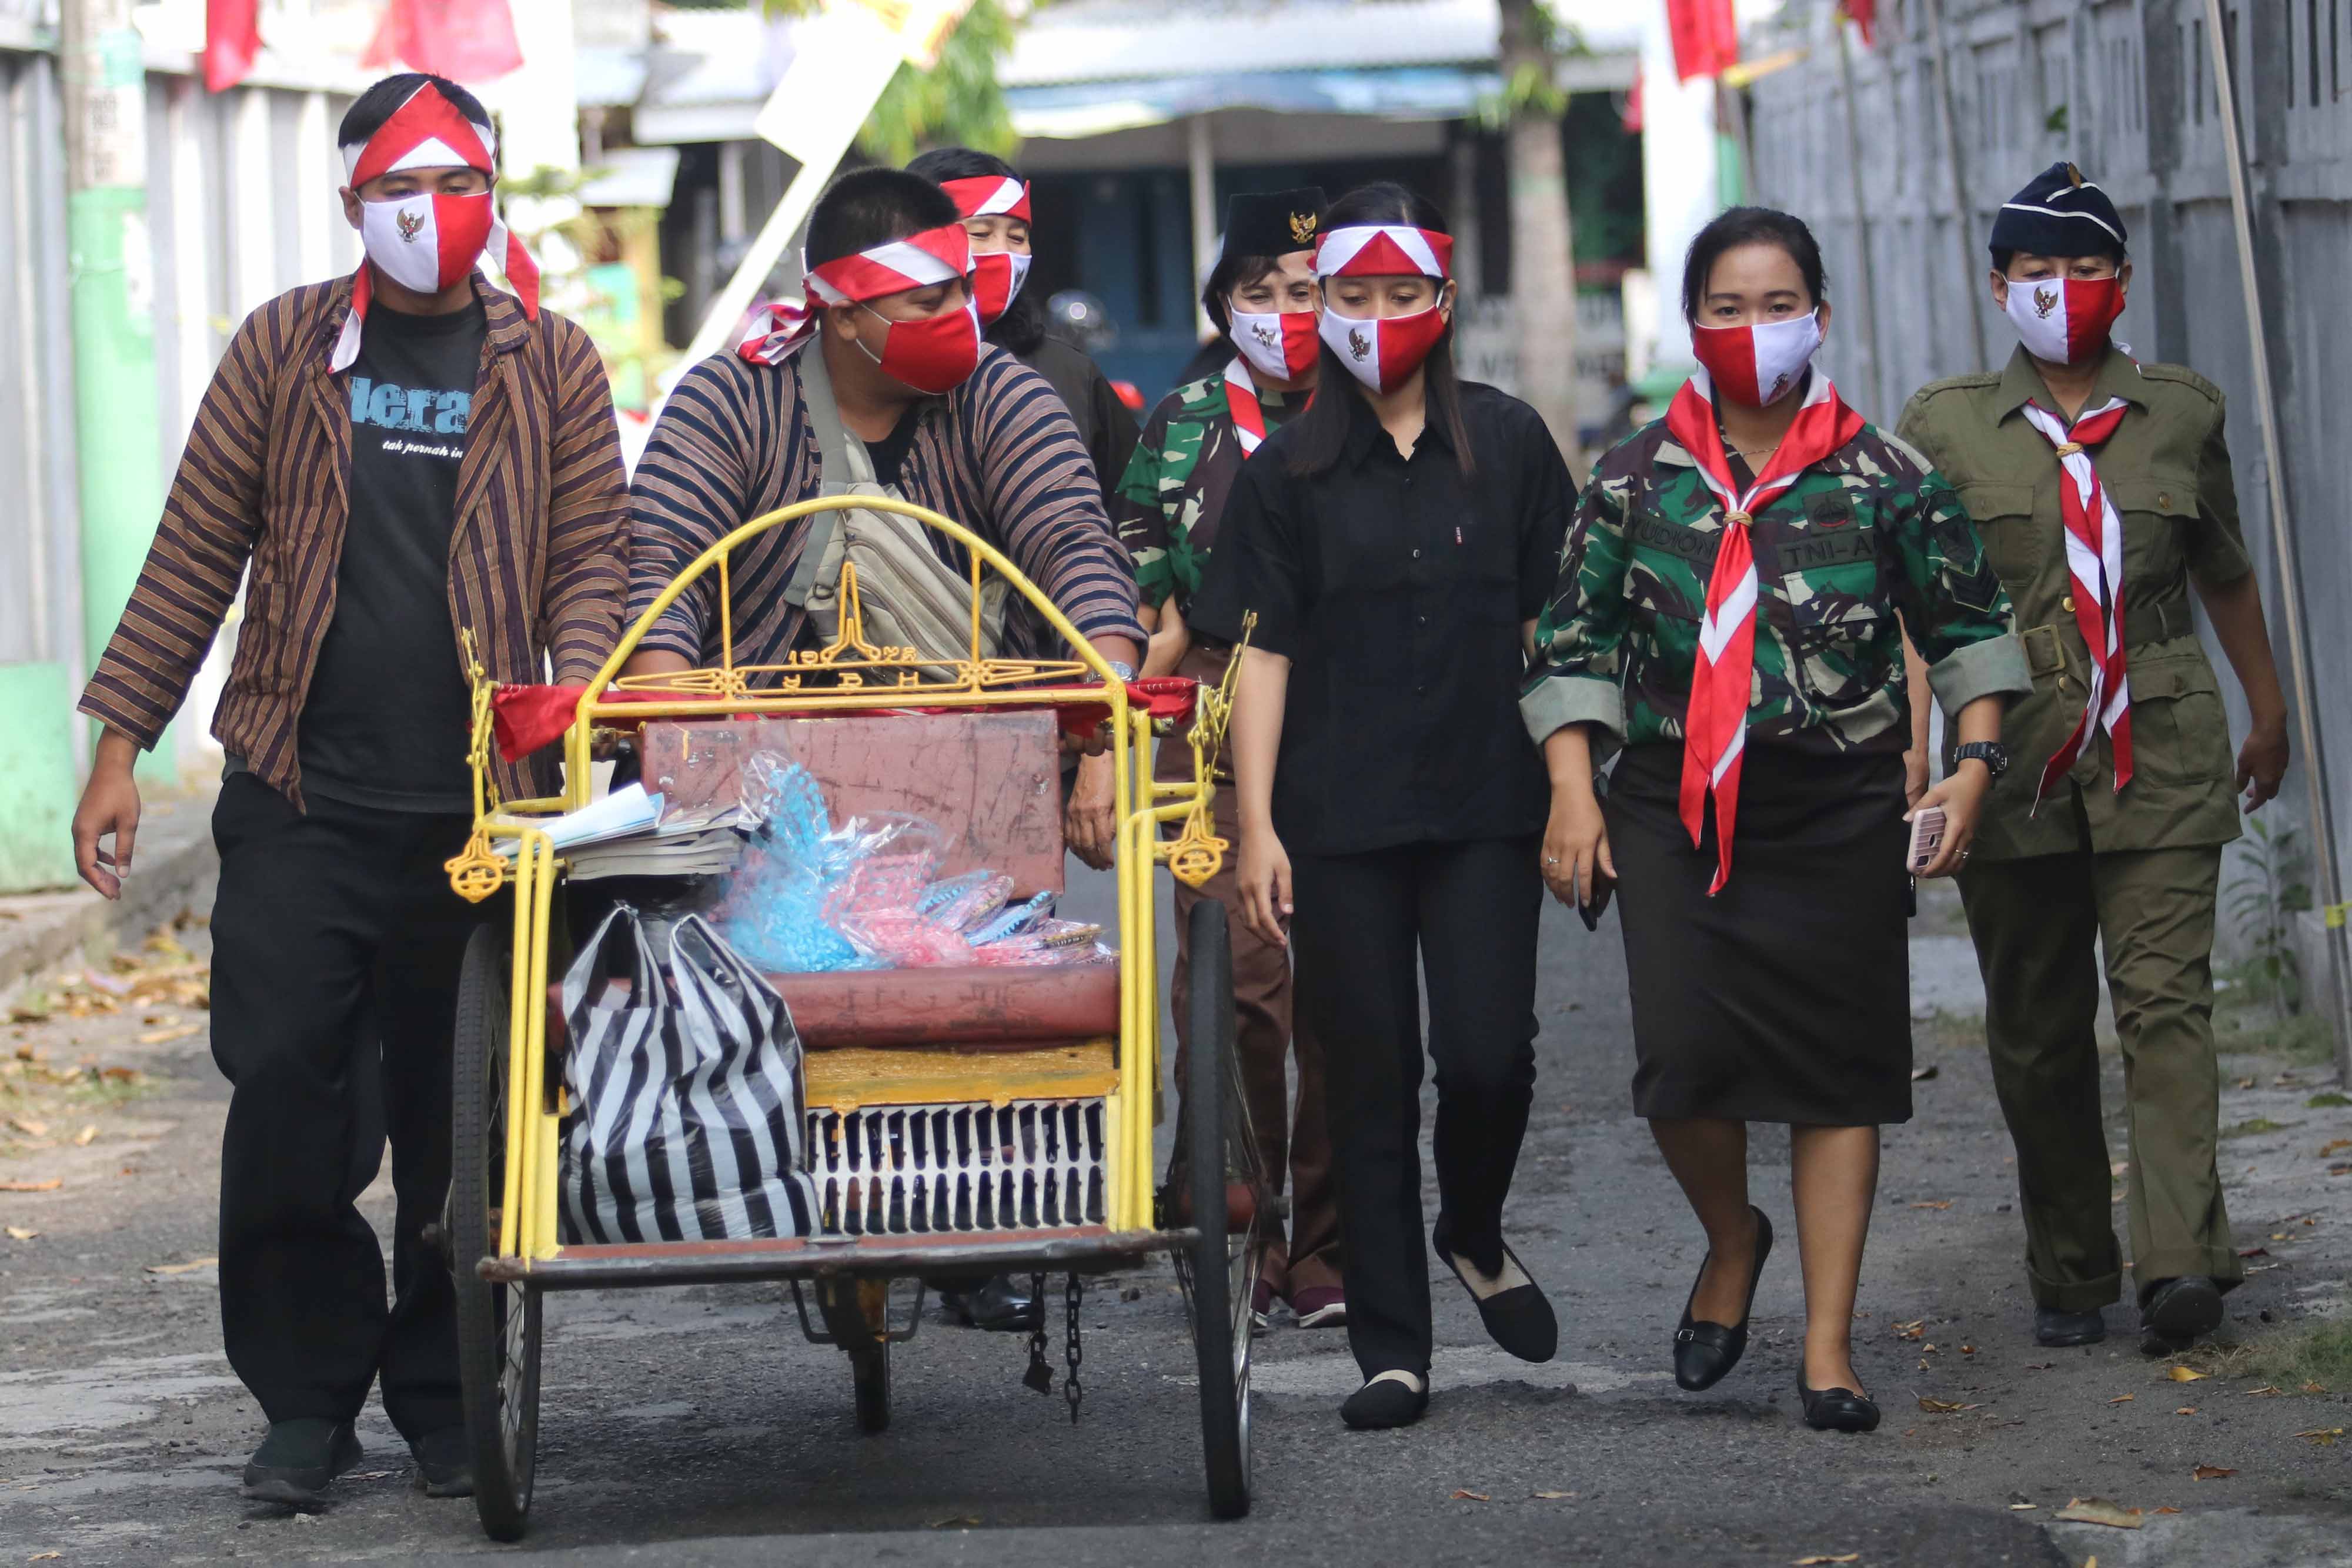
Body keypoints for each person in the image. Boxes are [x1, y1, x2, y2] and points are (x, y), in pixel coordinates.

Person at [68, 73, 626, 1506]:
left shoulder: (552, 365)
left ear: (492, 195)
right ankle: (306, 1405)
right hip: (302, 797)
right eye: (399, 192)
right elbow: (196, 548)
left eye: (456, 187)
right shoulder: (281, 352)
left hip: (479, 817)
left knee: (465, 1122)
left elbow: (593, 560)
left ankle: (445, 1395)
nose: (430, 218)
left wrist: (595, 719)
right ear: (349, 205)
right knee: (285, 1102)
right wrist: (121, 746)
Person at [1523, 206, 2029, 1435]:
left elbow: (1969, 632)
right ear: (1692, 324)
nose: (1753, 330)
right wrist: (1571, 791)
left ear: (1819, 316)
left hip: (1835, 804)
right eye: (1726, 308)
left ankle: (1825, 1346)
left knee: (1835, 1073)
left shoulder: (1885, 477)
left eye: (1775, 305)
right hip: (1667, 803)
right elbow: (1570, 643)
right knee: (1680, 1064)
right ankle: (1728, 1234)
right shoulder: (1631, 477)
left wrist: (1967, 768)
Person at [1896, 162, 2291, 1356]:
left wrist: (2266, 711)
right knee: (2033, 1021)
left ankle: (2179, 1259)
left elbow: (2219, 566)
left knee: (2167, 1001)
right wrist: (1917, 760)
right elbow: (1928, 611)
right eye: (2033, 270)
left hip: (2160, 742)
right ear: (1995, 285)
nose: (2058, 289)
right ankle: (2069, 1263)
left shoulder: (2181, 409)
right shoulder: (1943, 424)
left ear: (2118, 279)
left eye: (2082, 266)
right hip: (2004, 751)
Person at [1195, 183, 1572, 1430]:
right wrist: (1255, 824)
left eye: (1395, 296)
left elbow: (1553, 632)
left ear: (1441, 303)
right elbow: (1261, 653)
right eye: (1345, 297)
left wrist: (1574, 787)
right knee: (1366, 1075)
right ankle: (1391, 1346)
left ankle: (1472, 1222)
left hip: (1483, 804)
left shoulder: (1510, 445)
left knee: (1483, 1056)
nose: (1369, 319)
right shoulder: (1285, 475)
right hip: (1337, 813)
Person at [623, 166, 1142, 689]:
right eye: (929, 303)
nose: (962, 316)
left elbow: (1073, 546)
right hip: (753, 749)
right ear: (845, 315)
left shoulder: (1005, 393)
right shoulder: (728, 399)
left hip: (987, 737)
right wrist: (676, 726)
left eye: (964, 291)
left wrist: (1110, 680)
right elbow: (664, 568)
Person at [1108, 187, 1345, 1331]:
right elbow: (1133, 550)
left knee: (1336, 992)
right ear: (1223, 303)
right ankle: (1243, 1223)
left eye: (1304, 290)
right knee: (1234, 982)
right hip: (1203, 711)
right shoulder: (1182, 418)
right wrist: (1150, 625)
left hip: (1343, 714)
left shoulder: (1366, 411)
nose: (1285, 311)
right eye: (1260, 291)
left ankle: (1332, 1243)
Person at [906, 148, 1138, 513]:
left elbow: (1131, 512)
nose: (1002, 254)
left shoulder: (1072, 375)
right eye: (980, 233)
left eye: (1017, 238)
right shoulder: (871, 368)